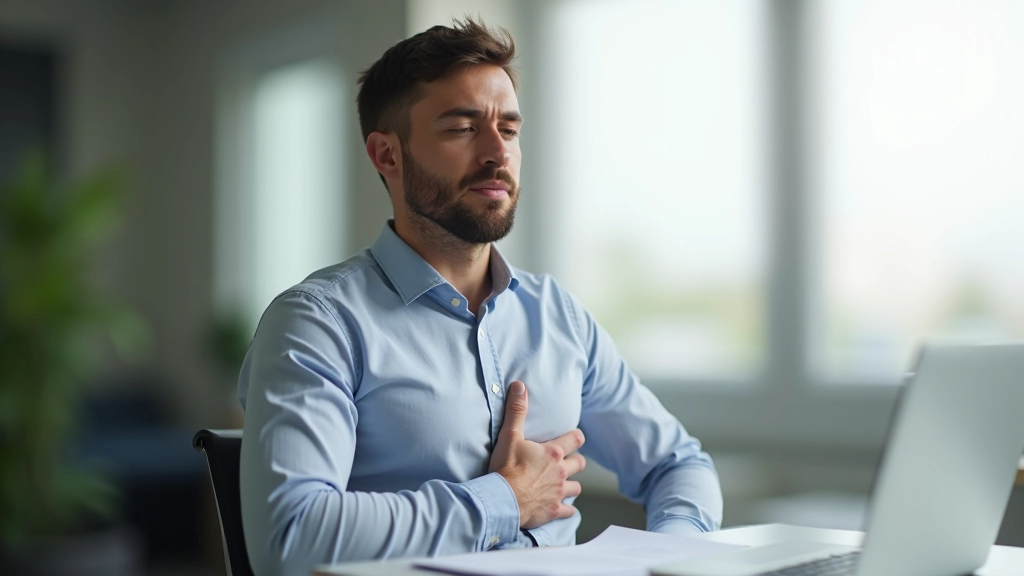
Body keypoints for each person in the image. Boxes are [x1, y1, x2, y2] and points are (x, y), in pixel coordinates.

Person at [238, 18, 723, 576]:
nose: (498, 153)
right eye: (462, 129)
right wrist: (504, 501)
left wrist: (671, 556)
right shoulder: (316, 324)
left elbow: (679, 465)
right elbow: (292, 538)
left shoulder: (557, 317)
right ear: (387, 156)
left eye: (510, 130)